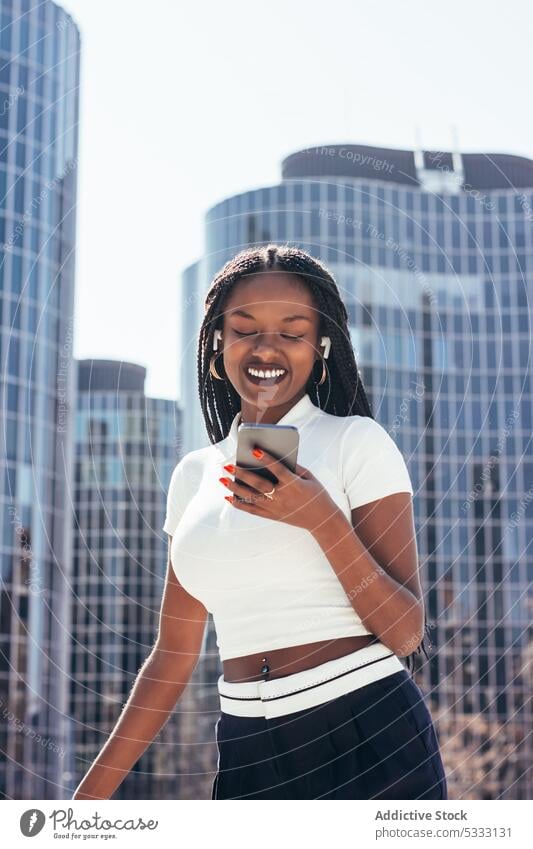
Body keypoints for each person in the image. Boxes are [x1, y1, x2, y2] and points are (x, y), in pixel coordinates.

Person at [73, 243, 447, 801]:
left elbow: (405, 631)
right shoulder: (193, 475)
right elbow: (172, 656)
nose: (266, 348)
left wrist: (320, 519)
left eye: (291, 332)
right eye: (245, 328)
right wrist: (84, 803)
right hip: (246, 745)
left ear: (321, 347)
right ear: (218, 342)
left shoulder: (357, 443)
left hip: (368, 734)